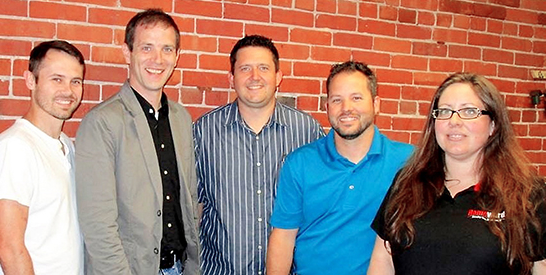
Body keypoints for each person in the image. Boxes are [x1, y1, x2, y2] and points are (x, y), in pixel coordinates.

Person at [368, 73, 546, 275]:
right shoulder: (407, 184)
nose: (454, 120)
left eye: (469, 111)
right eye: (444, 111)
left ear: (493, 125)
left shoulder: (529, 195)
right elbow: (382, 262)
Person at [75, 8, 199, 275]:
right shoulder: (102, 123)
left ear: (177, 57)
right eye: (147, 48)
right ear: (127, 53)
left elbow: (189, 199)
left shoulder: (181, 118)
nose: (158, 59)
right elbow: (98, 225)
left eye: (167, 49)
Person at [266, 61, 414, 275]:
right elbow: (283, 237)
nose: (346, 108)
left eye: (356, 98)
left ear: (376, 103)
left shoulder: (408, 162)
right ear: (327, 107)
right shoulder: (299, 163)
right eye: (337, 100)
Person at [194, 34, 325, 275]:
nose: (255, 77)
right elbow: (195, 206)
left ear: (278, 77)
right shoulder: (204, 132)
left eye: (263, 68)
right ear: (232, 78)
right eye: (245, 68)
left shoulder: (308, 132)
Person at [0, 40, 85, 275]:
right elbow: (9, 247)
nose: (68, 91)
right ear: (31, 80)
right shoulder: (15, 147)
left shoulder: (65, 146)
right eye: (57, 79)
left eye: (75, 81)